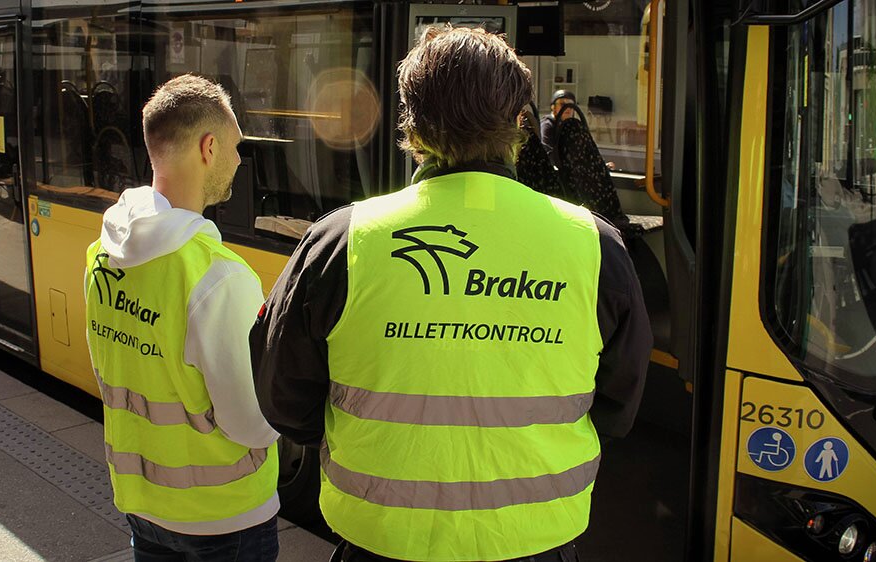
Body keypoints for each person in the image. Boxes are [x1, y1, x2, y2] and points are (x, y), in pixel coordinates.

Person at [251, 27, 652, 562]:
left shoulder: (342, 241)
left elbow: (282, 395)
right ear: (518, 124)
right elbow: (618, 407)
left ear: (411, 129)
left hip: (381, 541)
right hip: (538, 542)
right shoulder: (595, 245)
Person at [84, 74, 280, 562]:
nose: (239, 160)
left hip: (143, 505)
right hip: (224, 518)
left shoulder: (100, 256)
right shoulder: (219, 277)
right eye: (235, 147)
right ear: (209, 147)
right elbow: (250, 424)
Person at [540, 89, 577, 166]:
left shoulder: (572, 126)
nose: (568, 108)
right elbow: (547, 152)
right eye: (562, 104)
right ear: (553, 107)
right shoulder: (547, 125)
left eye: (571, 105)